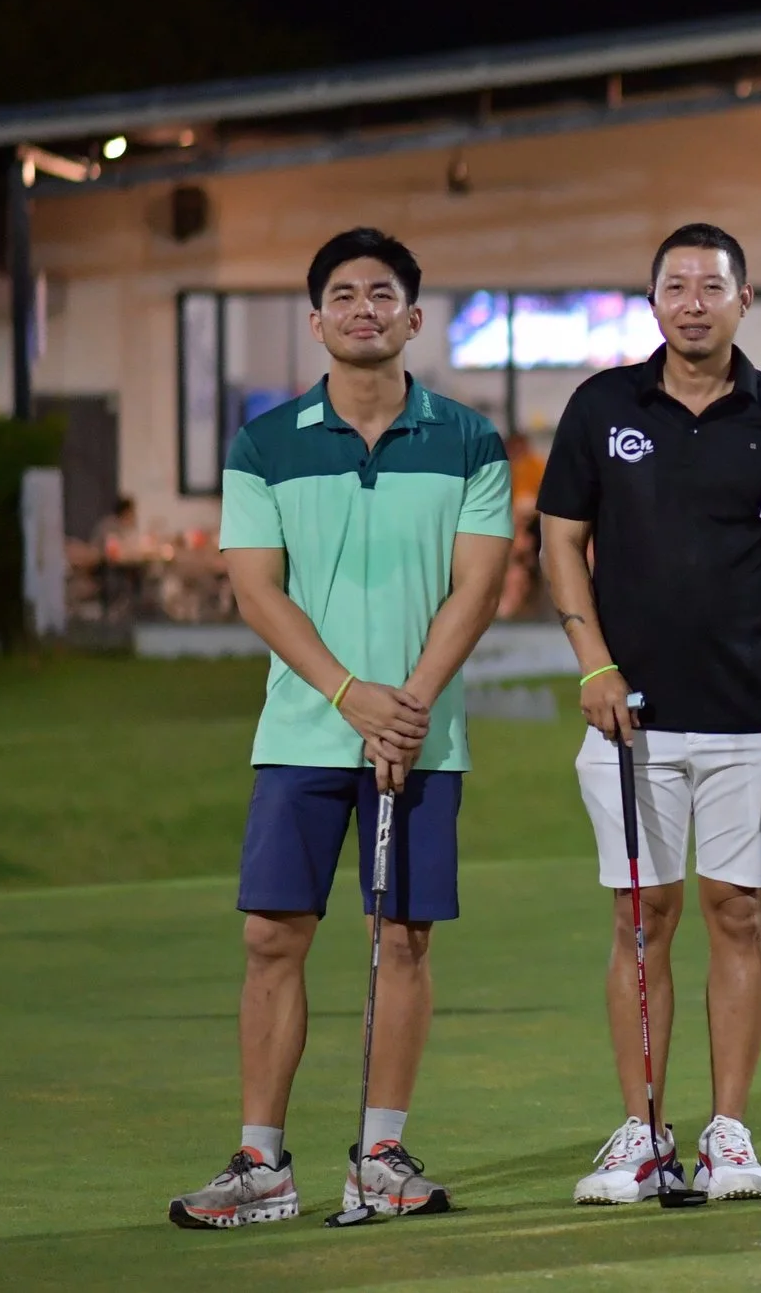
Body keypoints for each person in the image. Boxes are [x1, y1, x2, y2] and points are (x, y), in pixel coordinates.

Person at [168, 227, 512, 1229]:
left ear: (413, 317)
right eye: (344, 295)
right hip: (302, 735)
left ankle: (382, 1151)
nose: (365, 308)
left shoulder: (470, 439)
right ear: (315, 321)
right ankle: (260, 1163)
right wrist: (349, 694)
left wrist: (405, 703)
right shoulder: (264, 444)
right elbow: (256, 590)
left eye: (385, 293)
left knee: (401, 936)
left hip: (421, 737)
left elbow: (478, 585)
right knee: (272, 934)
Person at [537, 223, 761, 1203]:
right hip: (629, 716)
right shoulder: (603, 404)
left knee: (737, 910)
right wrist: (592, 662)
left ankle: (727, 1132)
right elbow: (562, 539)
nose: (693, 301)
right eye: (676, 285)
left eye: (712, 284)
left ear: (745, 297)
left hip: (749, 713)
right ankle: (642, 1128)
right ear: (652, 300)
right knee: (641, 915)